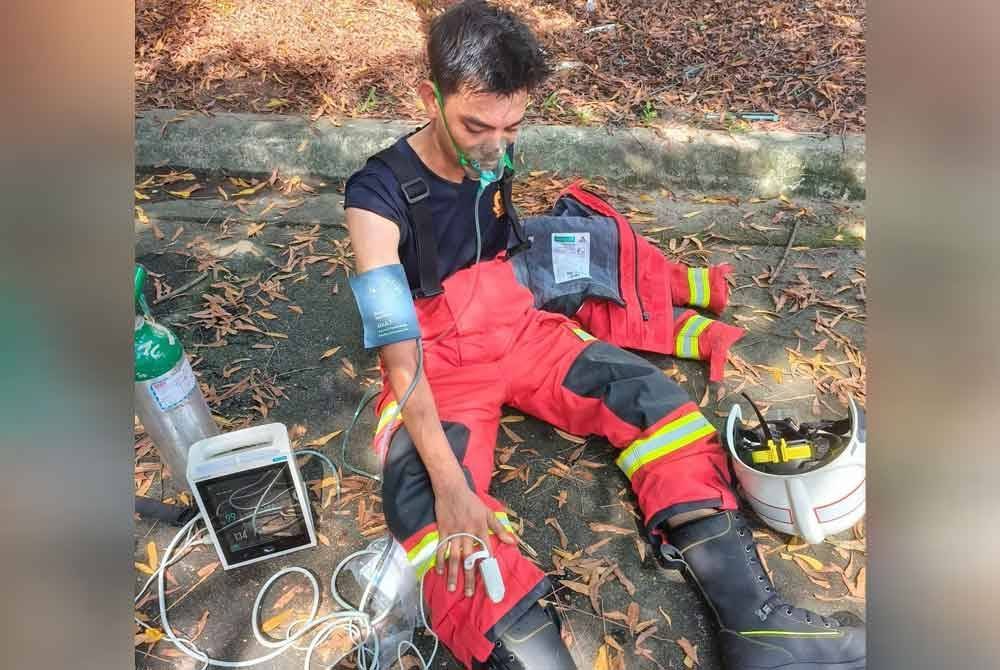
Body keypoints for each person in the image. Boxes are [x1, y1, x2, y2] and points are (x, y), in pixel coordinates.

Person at [343, 2, 866, 668]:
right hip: (439, 361)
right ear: (429, 96)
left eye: (511, 126)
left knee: (658, 407)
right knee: (426, 510)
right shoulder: (375, 198)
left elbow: (509, 248)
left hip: (521, 327)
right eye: (476, 125)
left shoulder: (494, 148)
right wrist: (453, 489)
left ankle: (758, 627)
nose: (494, 147)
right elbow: (399, 354)